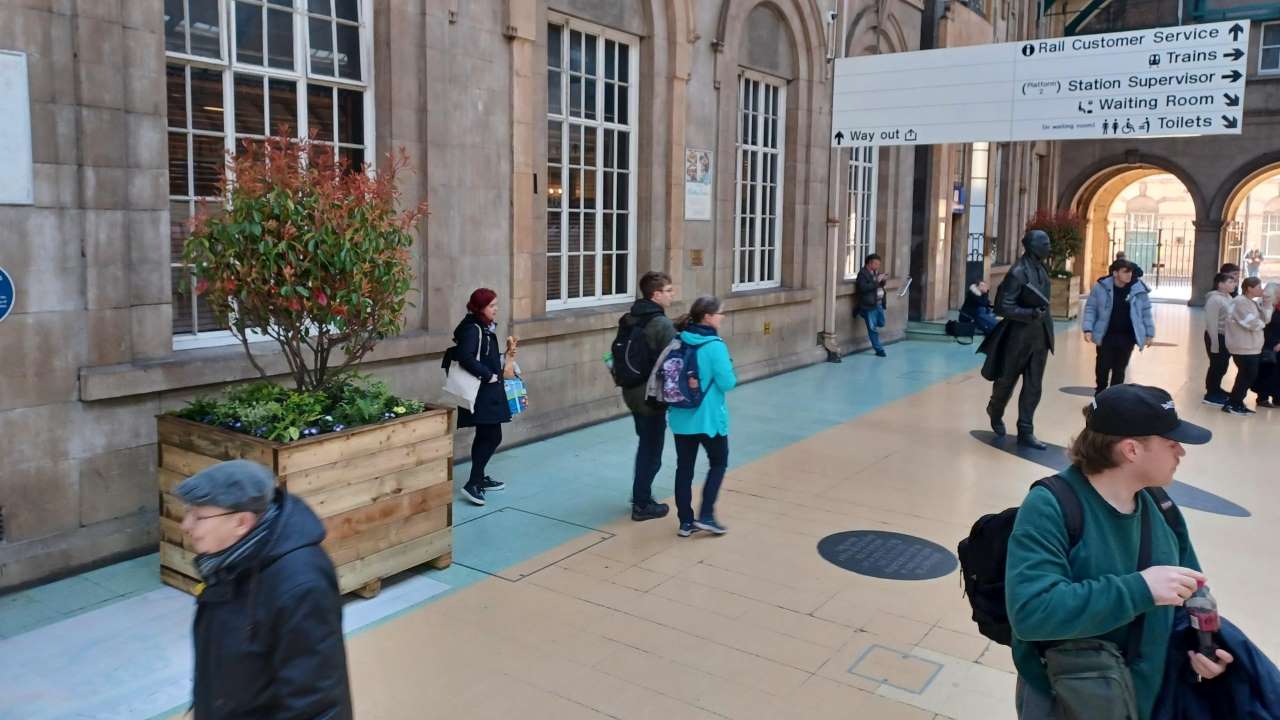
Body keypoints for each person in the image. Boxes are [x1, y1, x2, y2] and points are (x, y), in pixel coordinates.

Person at [1006, 385, 1227, 720]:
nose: (1181, 451)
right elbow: (1032, 612)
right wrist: (1140, 589)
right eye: (1170, 443)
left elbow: (1193, 590)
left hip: (1146, 695)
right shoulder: (1051, 505)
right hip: (1068, 697)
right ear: (1132, 450)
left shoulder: (1160, 505)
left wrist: (1202, 645)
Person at [175, 460, 352, 720]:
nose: (185, 525)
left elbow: (318, 702)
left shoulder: (301, 586)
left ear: (241, 522)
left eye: (198, 516)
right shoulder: (229, 562)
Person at [668, 296, 737, 538]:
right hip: (708, 419)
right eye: (720, 313)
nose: (722, 317)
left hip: (680, 416)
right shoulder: (714, 345)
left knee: (684, 468)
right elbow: (728, 382)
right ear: (707, 317)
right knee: (718, 463)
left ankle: (685, 522)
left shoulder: (678, 339)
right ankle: (706, 515)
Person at [979, 229, 1055, 450]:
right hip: (1018, 338)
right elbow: (1003, 306)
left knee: (1034, 387)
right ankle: (995, 409)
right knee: (1006, 382)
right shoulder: (1018, 272)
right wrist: (1029, 314)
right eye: (1046, 243)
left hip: (1040, 336)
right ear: (1033, 247)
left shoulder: (1041, 268)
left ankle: (1026, 430)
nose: (1049, 247)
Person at [451, 288, 516, 505]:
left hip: (488, 390)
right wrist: (488, 375)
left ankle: (478, 478)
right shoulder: (474, 328)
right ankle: (473, 484)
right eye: (492, 306)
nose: (496, 309)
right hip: (483, 391)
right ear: (480, 308)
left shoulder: (483, 327)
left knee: (486, 435)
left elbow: (482, 355)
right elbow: (464, 357)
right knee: (492, 436)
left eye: (496, 305)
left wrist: (504, 358)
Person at [621, 271, 677, 521]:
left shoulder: (631, 317)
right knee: (651, 451)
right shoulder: (662, 324)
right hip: (651, 396)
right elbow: (673, 363)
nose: (671, 294)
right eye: (668, 290)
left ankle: (640, 495)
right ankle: (642, 505)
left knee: (645, 443)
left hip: (631, 390)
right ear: (656, 294)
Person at [1082, 259, 1155, 395]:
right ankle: (1100, 392)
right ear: (1115, 273)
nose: (1129, 275)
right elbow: (1091, 308)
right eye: (1125, 272)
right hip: (1106, 334)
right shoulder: (1101, 287)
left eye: (1130, 272)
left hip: (1127, 336)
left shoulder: (1138, 289)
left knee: (1120, 368)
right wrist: (1088, 329)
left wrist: (1149, 334)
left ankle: (1114, 397)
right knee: (1102, 366)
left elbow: (1146, 312)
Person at [1223, 277, 1275, 416]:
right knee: (1247, 375)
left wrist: (1268, 302)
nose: (1261, 290)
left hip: (1252, 347)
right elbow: (1254, 324)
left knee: (1247, 375)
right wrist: (1262, 323)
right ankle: (1233, 403)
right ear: (1249, 288)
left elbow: (1266, 319)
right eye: (1258, 287)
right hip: (1243, 347)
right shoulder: (1240, 302)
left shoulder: (1251, 302)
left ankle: (1236, 402)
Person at [1202, 271, 1238, 406]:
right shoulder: (1214, 299)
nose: (1234, 284)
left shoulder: (1228, 297)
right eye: (1230, 281)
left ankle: (1216, 388)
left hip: (1226, 336)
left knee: (1222, 365)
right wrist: (1214, 344)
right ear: (1220, 284)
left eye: (1234, 281)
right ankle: (1211, 393)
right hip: (1216, 335)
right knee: (1217, 365)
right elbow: (1212, 323)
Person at [1251, 283, 1280, 408]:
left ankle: (1277, 397)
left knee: (1275, 372)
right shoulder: (1263, 307)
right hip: (1266, 344)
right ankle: (1262, 397)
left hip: (1276, 344)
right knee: (1266, 371)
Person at [855, 254, 889, 357]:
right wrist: (876, 281)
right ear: (870, 263)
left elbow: (878, 286)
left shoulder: (875, 272)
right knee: (872, 329)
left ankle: (862, 313)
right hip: (869, 305)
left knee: (882, 323)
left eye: (879, 264)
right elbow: (863, 288)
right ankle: (879, 350)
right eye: (876, 264)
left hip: (878, 303)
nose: (878, 266)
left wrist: (882, 280)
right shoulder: (862, 274)